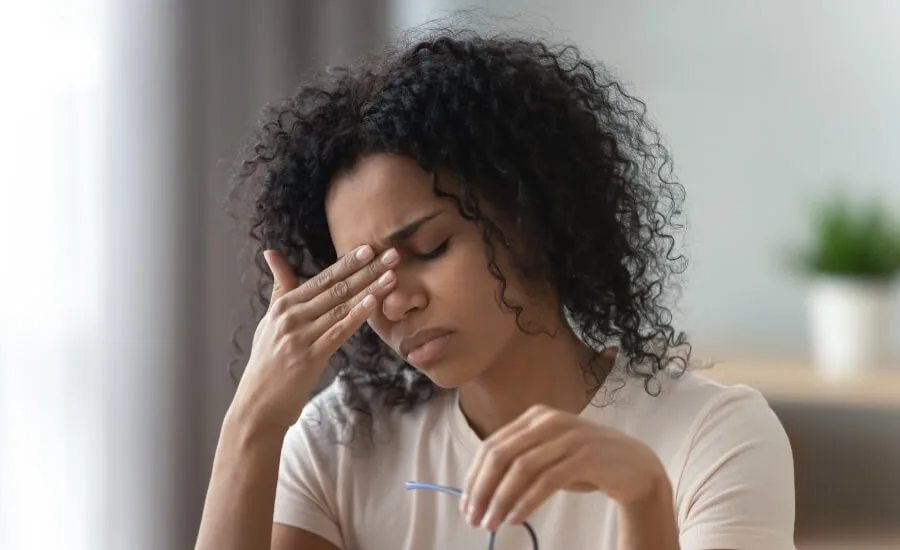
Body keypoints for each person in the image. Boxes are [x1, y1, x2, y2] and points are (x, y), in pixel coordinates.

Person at [195, 28, 796, 550]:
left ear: (534, 215)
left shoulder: (711, 436)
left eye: (430, 247)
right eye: (366, 277)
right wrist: (251, 423)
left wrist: (644, 498)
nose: (397, 300)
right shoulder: (343, 441)